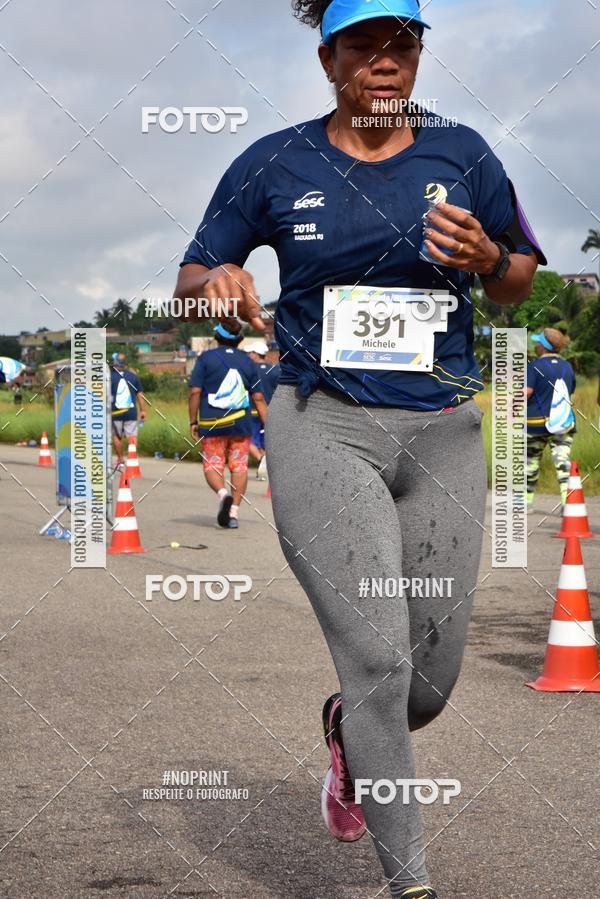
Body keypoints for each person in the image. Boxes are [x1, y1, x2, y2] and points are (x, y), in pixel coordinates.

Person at [173, 1, 546, 894]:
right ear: (327, 57)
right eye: (364, 46)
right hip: (321, 419)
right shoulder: (272, 161)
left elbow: (519, 284)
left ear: (419, 55)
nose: (385, 62)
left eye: (403, 44)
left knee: (425, 686)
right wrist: (217, 285)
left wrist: (490, 255)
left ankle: (348, 733)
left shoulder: (464, 155)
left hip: (445, 433)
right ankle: (409, 881)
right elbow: (190, 280)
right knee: (379, 661)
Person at [188, 319, 268, 528]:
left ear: (217, 337)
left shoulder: (206, 359)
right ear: (239, 339)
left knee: (213, 464)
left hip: (212, 422)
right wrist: (267, 425)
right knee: (239, 466)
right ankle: (233, 514)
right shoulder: (248, 362)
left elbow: (195, 392)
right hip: (241, 424)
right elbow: (258, 398)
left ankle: (223, 495)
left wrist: (193, 421)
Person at [526, 328, 576, 510]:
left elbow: (527, 392)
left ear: (543, 347)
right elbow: (570, 391)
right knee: (563, 462)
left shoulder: (534, 366)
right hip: (563, 423)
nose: (536, 345)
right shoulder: (567, 367)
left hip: (535, 423)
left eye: (538, 342)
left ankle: (526, 502)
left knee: (530, 462)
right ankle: (568, 503)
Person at [244, 340, 281, 478]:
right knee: (262, 443)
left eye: (250, 352)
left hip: (251, 410)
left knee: (246, 440)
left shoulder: (249, 370)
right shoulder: (273, 370)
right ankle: (263, 471)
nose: (248, 355)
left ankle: (261, 460)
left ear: (255, 354)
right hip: (267, 413)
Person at [110, 352, 145, 467]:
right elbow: (140, 395)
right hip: (131, 412)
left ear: (115, 363)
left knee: (116, 436)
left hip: (115, 413)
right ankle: (132, 458)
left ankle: (120, 459)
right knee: (132, 436)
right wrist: (143, 410)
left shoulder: (109, 377)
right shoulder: (133, 377)